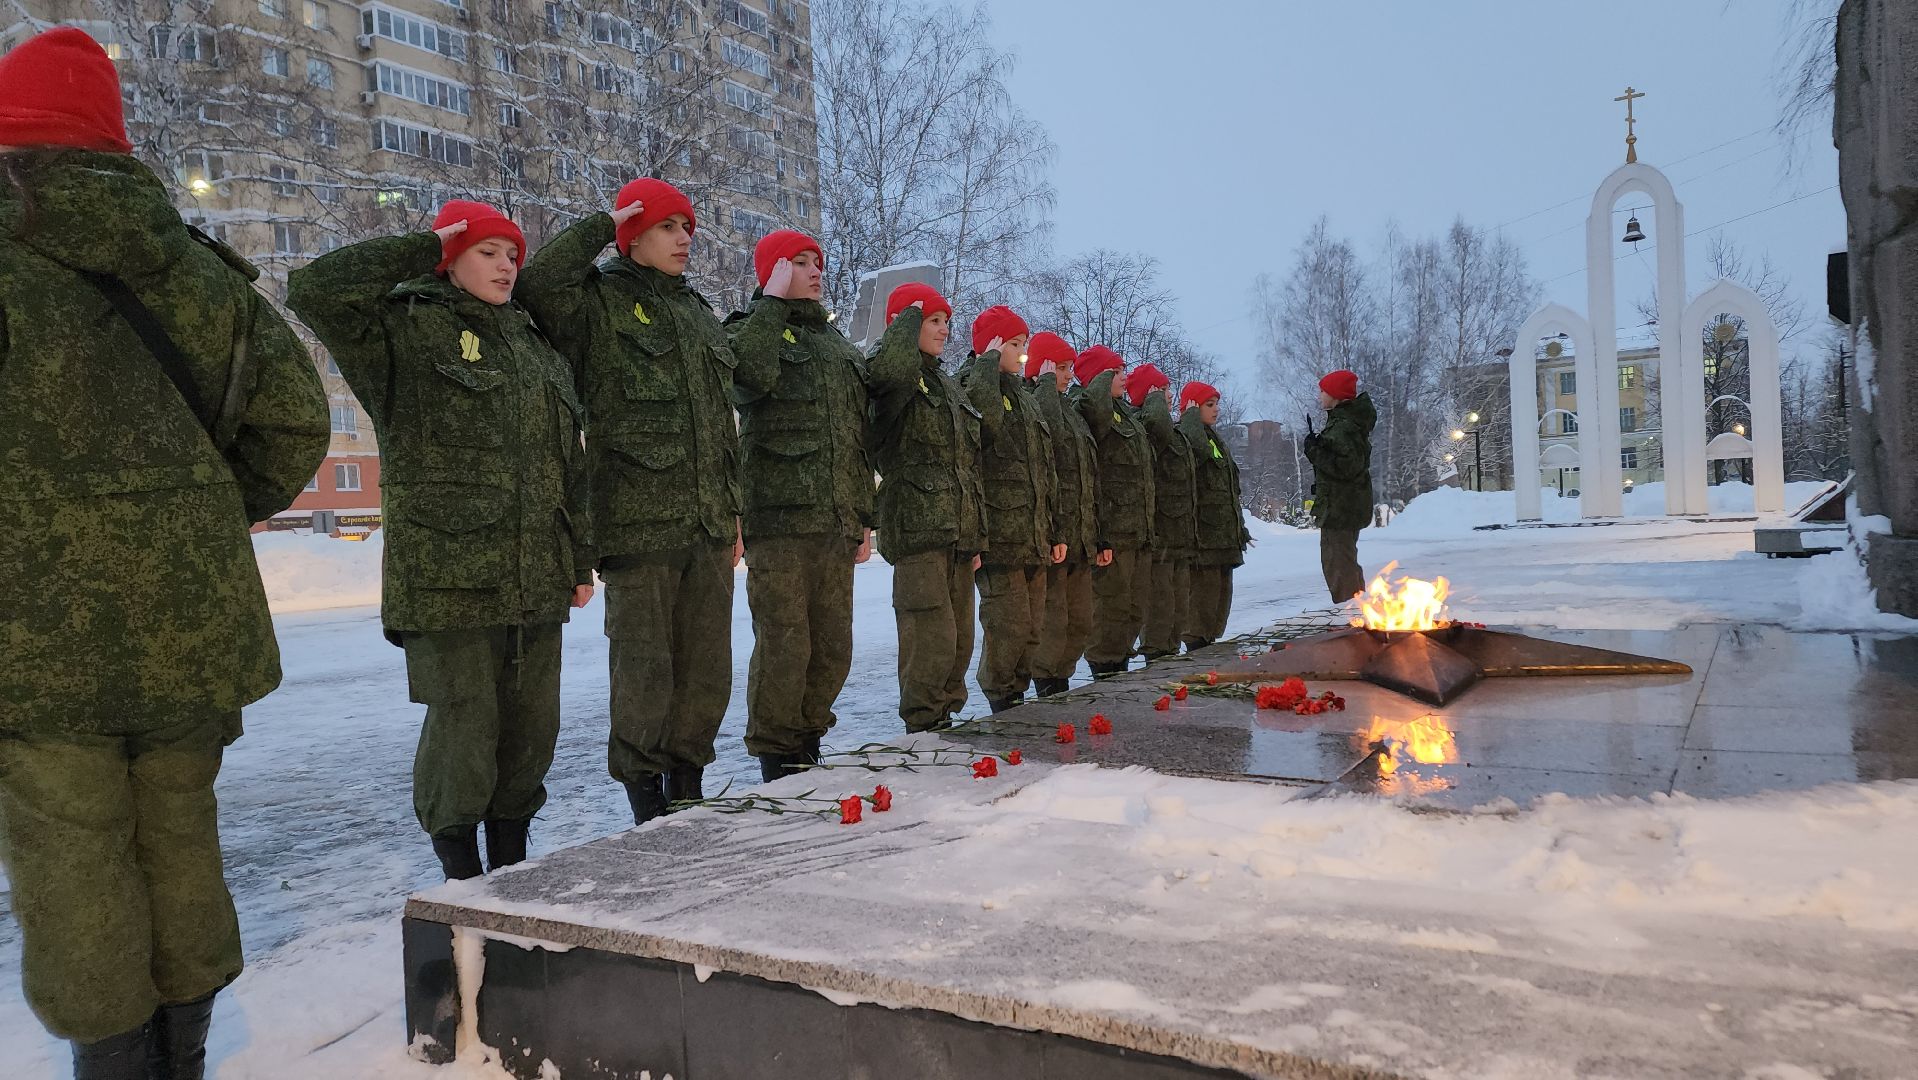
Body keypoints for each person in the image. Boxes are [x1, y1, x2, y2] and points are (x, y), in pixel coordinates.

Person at [0, 28, 330, 1078]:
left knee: (71, 855)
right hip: (189, 621)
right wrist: (194, 514)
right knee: (181, 834)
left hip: (30, 633)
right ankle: (177, 1059)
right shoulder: (195, 269)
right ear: (112, 139)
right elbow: (294, 421)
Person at [289, 198, 595, 879]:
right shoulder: (404, 330)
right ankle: (460, 875)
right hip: (447, 576)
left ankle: (512, 869)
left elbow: (568, 464)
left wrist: (578, 559)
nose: (507, 266)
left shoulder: (534, 345)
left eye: (512, 255)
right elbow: (313, 290)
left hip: (536, 576)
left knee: (529, 735)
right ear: (448, 258)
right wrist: (420, 246)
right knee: (466, 730)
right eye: (487, 252)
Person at [517, 180, 773, 823]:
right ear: (633, 234)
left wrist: (732, 510)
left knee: (707, 667)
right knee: (645, 668)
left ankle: (688, 781)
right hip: (637, 522)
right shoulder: (598, 304)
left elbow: (721, 424)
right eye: (667, 226)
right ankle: (646, 794)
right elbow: (539, 287)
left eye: (688, 226)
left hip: (707, 522)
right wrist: (602, 226)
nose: (685, 238)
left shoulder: (697, 313)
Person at [725, 230, 875, 780]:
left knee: (833, 645)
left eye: (817, 262)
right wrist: (771, 299)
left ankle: (808, 743)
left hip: (834, 522)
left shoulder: (837, 350)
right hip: (780, 521)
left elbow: (854, 438)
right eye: (800, 263)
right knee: (786, 643)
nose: (814, 271)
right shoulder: (750, 329)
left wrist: (862, 516)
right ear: (774, 270)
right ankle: (776, 755)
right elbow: (749, 377)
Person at [867, 284, 992, 731]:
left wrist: (974, 533)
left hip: (956, 531)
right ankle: (923, 725)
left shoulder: (944, 383)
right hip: (917, 527)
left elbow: (966, 464)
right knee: (929, 633)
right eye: (931, 320)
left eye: (946, 321)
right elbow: (885, 377)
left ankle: (944, 718)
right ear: (905, 325)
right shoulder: (896, 375)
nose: (943, 329)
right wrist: (903, 323)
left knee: (958, 638)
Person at [960, 306, 1063, 713]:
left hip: (1031, 533)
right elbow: (983, 426)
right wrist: (986, 361)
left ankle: (1017, 698)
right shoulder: (973, 382)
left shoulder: (1024, 397)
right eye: (1014, 345)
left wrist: (1052, 530)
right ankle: (1002, 701)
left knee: (1031, 629)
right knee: (1008, 625)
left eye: (1024, 345)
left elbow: (1045, 470)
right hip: (999, 535)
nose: (1023, 355)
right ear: (992, 344)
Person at [1026, 332, 1103, 696]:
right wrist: (1042, 386)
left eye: (1070, 367)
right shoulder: (1037, 403)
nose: (1068, 374)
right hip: (1055, 535)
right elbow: (1049, 445)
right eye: (1059, 367)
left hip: (1079, 535)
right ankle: (1047, 685)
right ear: (1041, 368)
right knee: (1053, 623)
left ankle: (1062, 679)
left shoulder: (1070, 412)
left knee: (1080, 622)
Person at [1073, 346, 1154, 676]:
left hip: (1134, 529)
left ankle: (1117, 663)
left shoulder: (1125, 415)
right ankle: (1104, 670)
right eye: (1116, 371)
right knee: (1108, 608)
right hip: (1110, 528)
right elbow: (1095, 415)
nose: (1124, 377)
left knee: (1131, 607)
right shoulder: (1089, 406)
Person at [1130, 362, 1196, 662]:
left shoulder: (1169, 427)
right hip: (1157, 532)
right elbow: (1156, 429)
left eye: (1168, 390)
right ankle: (1155, 658)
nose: (1169, 396)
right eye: (1161, 390)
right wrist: (1154, 401)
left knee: (1177, 606)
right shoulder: (1144, 422)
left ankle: (1169, 652)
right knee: (1159, 606)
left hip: (1177, 532)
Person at [1178, 382, 1252, 649]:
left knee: (1219, 604)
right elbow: (1197, 457)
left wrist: (1239, 530)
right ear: (1191, 408)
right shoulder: (1188, 436)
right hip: (1204, 539)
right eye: (1209, 405)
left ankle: (1207, 644)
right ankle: (1196, 649)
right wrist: (1189, 421)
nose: (1216, 410)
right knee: (1201, 605)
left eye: (1216, 404)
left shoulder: (1212, 438)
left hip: (1222, 538)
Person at [1303, 369, 1376, 604]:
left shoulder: (1344, 426)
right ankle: (1356, 607)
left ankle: (1351, 611)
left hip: (1340, 507)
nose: (1320, 396)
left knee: (1338, 563)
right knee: (1343, 559)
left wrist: (1315, 452)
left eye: (1323, 391)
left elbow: (1347, 467)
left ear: (1335, 395)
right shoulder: (1345, 423)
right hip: (1343, 505)